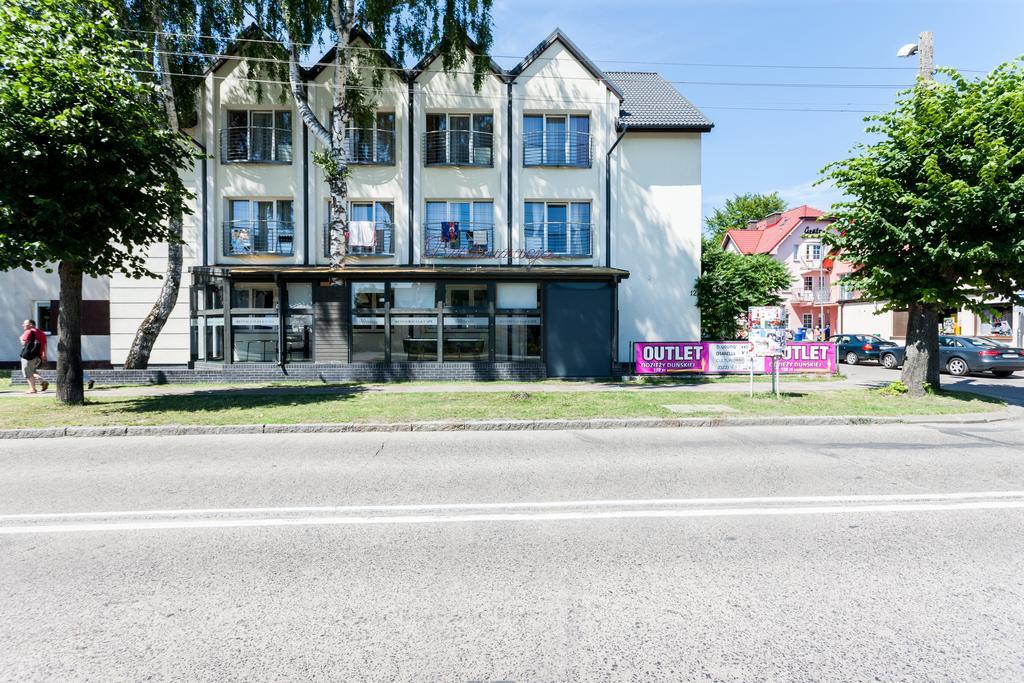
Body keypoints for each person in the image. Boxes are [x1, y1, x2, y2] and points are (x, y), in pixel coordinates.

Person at [18, 319, 48, 394]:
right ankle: (43, 381)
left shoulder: (28, 331)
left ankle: (32, 389)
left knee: (27, 372)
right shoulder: (42, 333)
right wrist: (44, 355)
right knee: (32, 371)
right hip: (38, 357)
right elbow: (45, 345)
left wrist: (21, 338)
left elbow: (24, 343)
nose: (23, 326)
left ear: (31, 324)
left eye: (25, 324)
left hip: (28, 356)